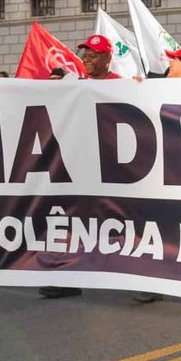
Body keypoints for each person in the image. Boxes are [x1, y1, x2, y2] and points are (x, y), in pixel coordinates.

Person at [36, 35, 124, 298]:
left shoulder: (123, 85)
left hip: (114, 169)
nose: (87, 59)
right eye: (85, 54)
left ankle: (147, 279)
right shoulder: (77, 86)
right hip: (82, 167)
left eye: (93, 55)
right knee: (73, 220)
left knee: (125, 222)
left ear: (108, 58)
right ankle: (69, 276)